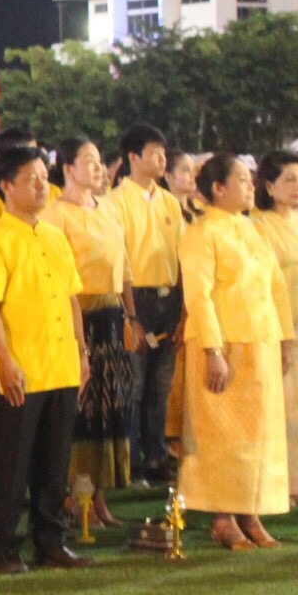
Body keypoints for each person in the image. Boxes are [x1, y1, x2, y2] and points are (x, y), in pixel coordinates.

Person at [0, 145, 93, 574]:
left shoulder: (55, 237)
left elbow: (72, 298)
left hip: (59, 365)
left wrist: (81, 352)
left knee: (54, 463)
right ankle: (4, 548)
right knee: (11, 464)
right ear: (6, 186)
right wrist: (5, 361)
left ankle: (52, 542)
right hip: (19, 369)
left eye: (45, 177)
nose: (43, 185)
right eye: (32, 179)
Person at [178, 154, 289, 550]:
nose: (249, 185)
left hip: (260, 340)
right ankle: (223, 518)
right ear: (218, 188)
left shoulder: (252, 227)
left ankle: (251, 512)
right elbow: (199, 295)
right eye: (240, 179)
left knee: (258, 434)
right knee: (222, 437)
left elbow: (275, 284)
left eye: (249, 179)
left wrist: (285, 336)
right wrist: (212, 350)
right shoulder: (201, 233)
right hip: (222, 344)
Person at [41, 138, 137, 527]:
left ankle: (99, 496)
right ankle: (74, 496)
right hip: (78, 317)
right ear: (68, 168)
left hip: (112, 316)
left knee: (110, 408)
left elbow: (125, 270)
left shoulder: (109, 211)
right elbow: (58, 282)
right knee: (81, 409)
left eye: (100, 163)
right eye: (90, 162)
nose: (99, 169)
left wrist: (131, 317)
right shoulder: (54, 216)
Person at [107, 125, 183, 485]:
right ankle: (133, 463)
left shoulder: (170, 201)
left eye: (164, 153)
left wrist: (183, 307)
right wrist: (131, 315)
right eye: (154, 153)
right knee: (134, 386)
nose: (161, 160)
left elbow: (182, 257)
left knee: (160, 384)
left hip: (168, 299)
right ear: (133, 158)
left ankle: (156, 458)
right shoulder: (116, 201)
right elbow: (119, 262)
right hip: (136, 299)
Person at [250, 152, 298, 506]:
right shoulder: (257, 224)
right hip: (274, 317)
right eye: (289, 180)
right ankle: (275, 484)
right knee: (277, 403)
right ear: (268, 185)